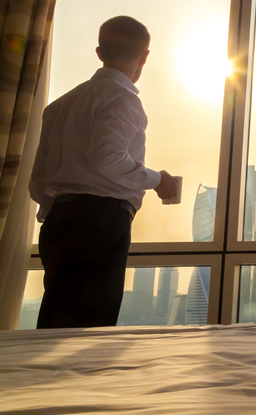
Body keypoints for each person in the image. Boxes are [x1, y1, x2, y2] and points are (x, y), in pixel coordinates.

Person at [29, 16, 178, 329]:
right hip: (99, 222)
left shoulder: (59, 105)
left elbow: (39, 180)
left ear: (99, 52)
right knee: (88, 327)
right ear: (145, 55)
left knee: (54, 322)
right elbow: (107, 159)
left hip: (58, 222)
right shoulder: (123, 99)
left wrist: (55, 209)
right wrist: (157, 180)